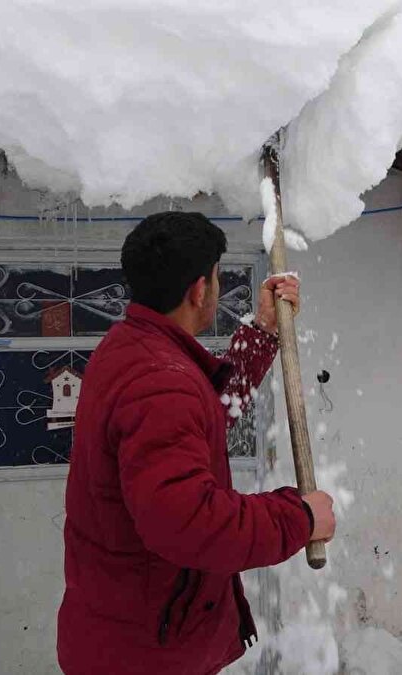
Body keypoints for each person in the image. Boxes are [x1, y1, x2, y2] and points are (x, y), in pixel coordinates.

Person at [58, 211, 337, 675]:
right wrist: (300, 517)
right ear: (199, 290)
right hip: (147, 653)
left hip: (129, 636)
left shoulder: (133, 349)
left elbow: (203, 413)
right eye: (216, 276)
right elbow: (189, 523)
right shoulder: (159, 379)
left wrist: (263, 332)